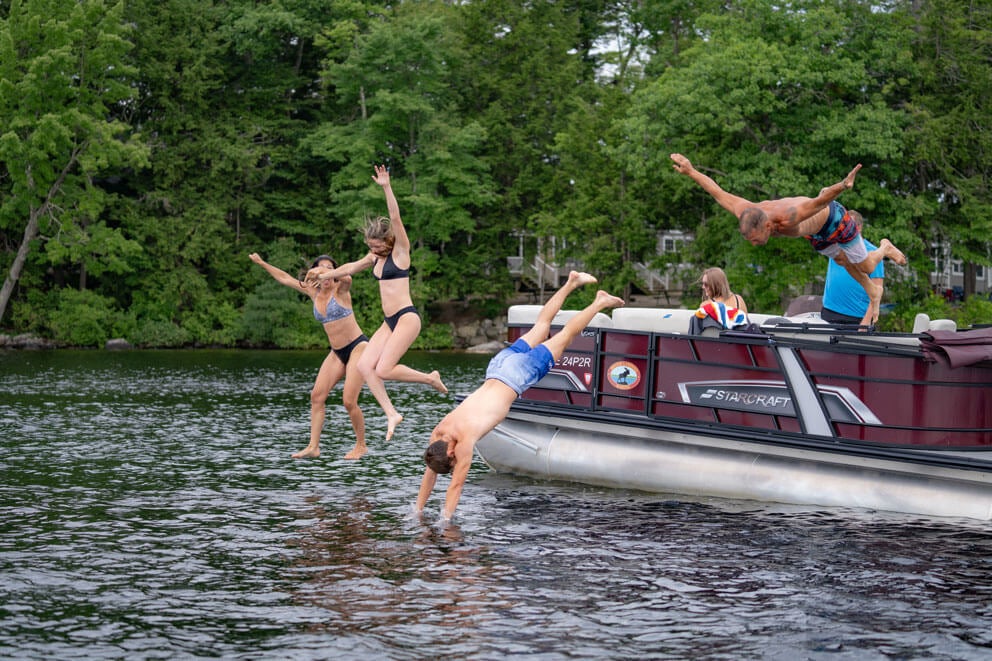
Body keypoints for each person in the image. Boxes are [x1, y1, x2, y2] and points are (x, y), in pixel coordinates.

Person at [414, 271, 625, 523]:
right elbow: (430, 475)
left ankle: (599, 302)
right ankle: (571, 283)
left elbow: (455, 487)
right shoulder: (438, 434)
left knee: (565, 336)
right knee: (541, 326)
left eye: (453, 459)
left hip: (518, 376)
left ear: (450, 453)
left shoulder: (465, 442)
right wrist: (417, 510)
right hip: (498, 367)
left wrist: (445, 520)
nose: (456, 459)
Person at [670, 153, 906, 327]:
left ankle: (885, 248)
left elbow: (819, 201)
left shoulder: (789, 216)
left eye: (755, 239)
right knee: (844, 262)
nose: (754, 244)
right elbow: (717, 192)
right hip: (815, 234)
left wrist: (843, 185)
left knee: (866, 265)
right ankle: (872, 293)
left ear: (768, 225)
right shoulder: (746, 211)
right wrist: (691, 171)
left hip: (833, 220)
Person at [310, 165, 447, 441]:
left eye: (376, 246)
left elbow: (395, 217)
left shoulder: (400, 252)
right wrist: (328, 273)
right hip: (389, 322)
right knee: (364, 367)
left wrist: (386, 187)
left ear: (387, 241)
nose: (372, 251)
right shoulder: (375, 258)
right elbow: (352, 265)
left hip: (407, 317)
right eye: (370, 247)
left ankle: (429, 378)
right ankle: (391, 413)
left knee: (383, 369)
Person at [249, 252, 369, 460]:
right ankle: (313, 446)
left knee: (348, 401)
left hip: (358, 346)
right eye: (319, 269)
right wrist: (262, 263)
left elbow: (348, 277)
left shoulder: (341, 290)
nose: (324, 276)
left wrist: (324, 272)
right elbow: (285, 278)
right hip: (337, 352)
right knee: (317, 396)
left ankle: (361, 445)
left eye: (329, 270)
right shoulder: (313, 292)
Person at [821, 238, 885, 325]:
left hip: (857, 317)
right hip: (829, 312)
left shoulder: (872, 251)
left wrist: (866, 321)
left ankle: (885, 248)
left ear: (858, 228)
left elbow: (878, 289)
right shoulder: (835, 245)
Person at [689, 267, 749, 334]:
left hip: (717, 343)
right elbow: (745, 328)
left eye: (706, 284)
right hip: (737, 342)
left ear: (715, 284)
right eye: (702, 284)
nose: (703, 287)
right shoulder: (739, 300)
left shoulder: (706, 305)